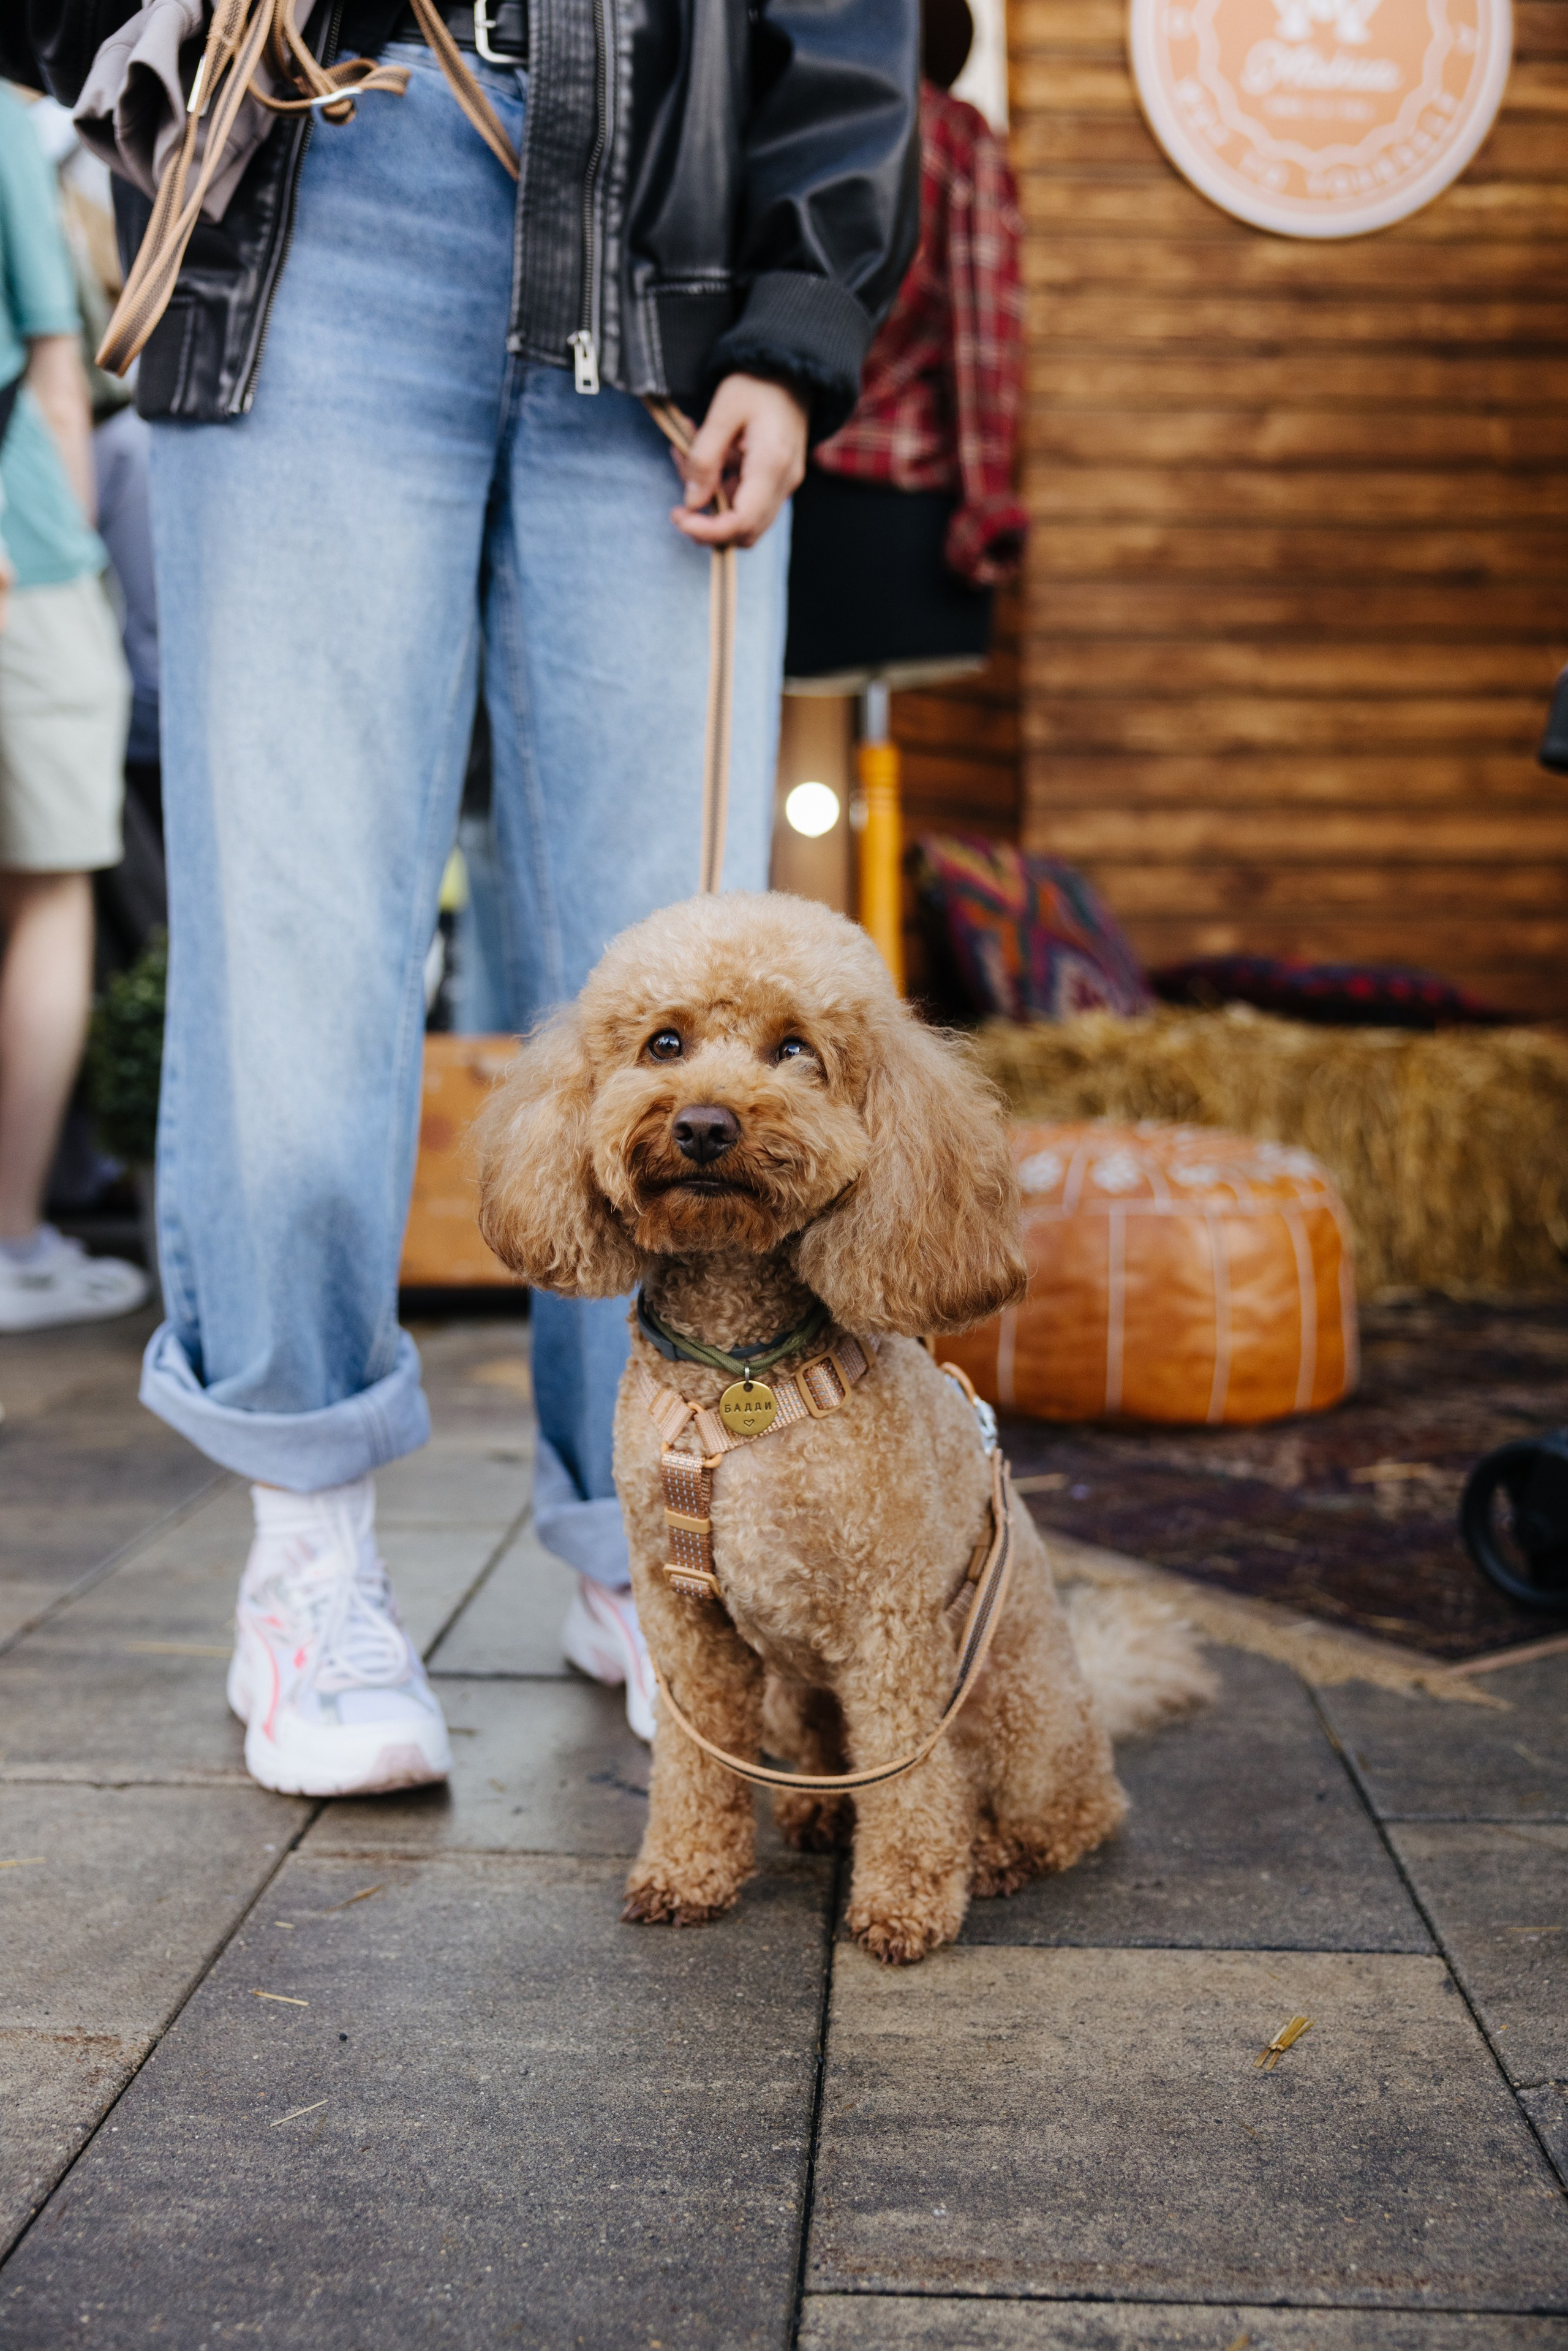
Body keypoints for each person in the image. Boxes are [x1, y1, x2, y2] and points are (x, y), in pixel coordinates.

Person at [15, 0, 919, 1795]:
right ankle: (308, 1556)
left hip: (666, 222)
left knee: (684, 967)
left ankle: (664, 1550)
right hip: (314, 181)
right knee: (294, 936)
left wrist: (799, 315)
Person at [0, 81, 145, 1332]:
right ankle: (13, 1236)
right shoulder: (5, 126)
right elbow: (57, 372)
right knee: (48, 890)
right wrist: (78, 552)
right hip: (22, 560)